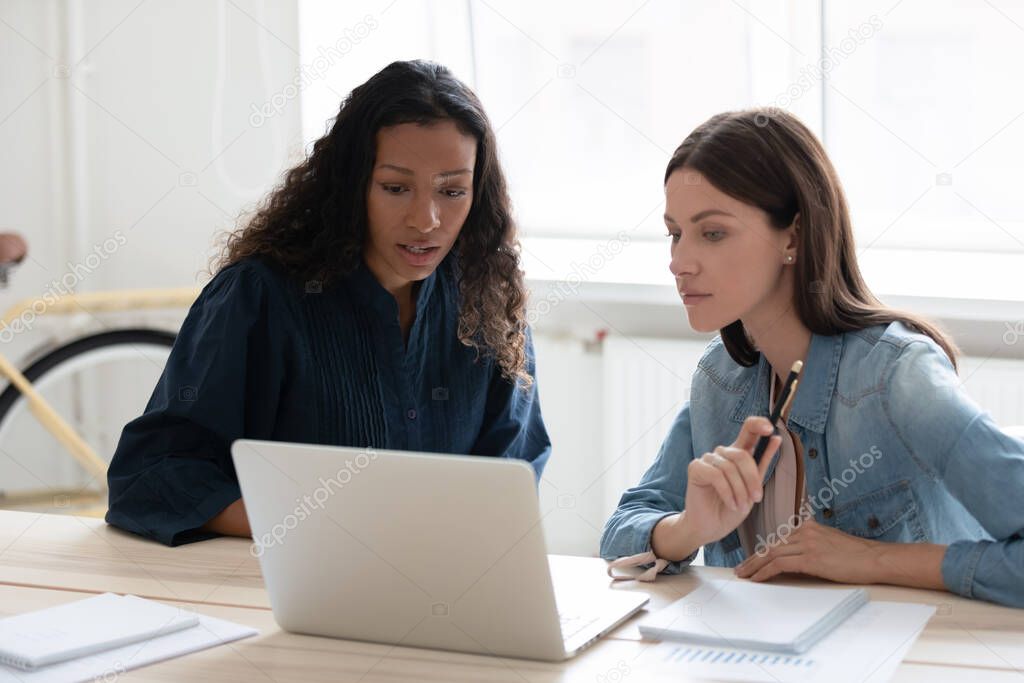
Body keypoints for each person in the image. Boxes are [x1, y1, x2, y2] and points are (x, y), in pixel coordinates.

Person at [106, 60, 551, 546]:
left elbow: (511, 474)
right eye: (396, 188)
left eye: (451, 191)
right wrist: (322, 524)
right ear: (350, 185)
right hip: (279, 591)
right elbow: (151, 478)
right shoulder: (260, 297)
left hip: (447, 589)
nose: (426, 220)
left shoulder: (488, 297)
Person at [600, 108, 1024, 607]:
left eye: (712, 233)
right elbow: (621, 534)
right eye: (675, 233)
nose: (678, 262)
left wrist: (867, 560)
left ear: (793, 237)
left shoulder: (897, 377)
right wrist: (687, 528)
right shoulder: (722, 378)